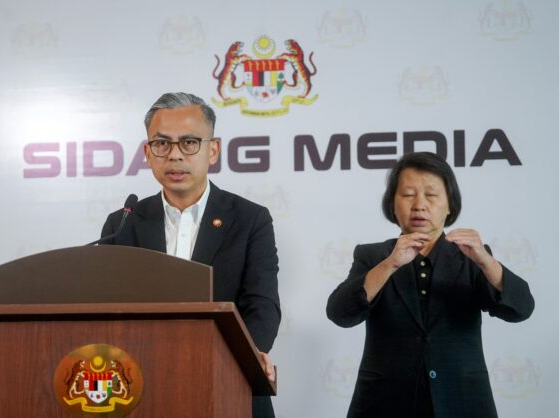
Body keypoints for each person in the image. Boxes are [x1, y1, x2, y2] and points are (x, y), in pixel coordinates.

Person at [100, 92, 280, 418]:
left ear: (213, 150)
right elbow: (106, 311)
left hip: (229, 382)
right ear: (147, 153)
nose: (174, 155)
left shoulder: (250, 219)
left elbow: (262, 305)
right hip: (142, 387)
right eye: (161, 143)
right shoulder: (123, 223)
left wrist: (246, 355)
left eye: (189, 143)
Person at [326, 152, 534, 418]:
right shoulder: (373, 256)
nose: (419, 205)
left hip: (462, 402)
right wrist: (390, 264)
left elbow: (521, 309)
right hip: (384, 403)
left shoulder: (472, 256)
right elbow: (340, 314)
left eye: (432, 195)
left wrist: (485, 260)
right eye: (408, 195)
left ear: (450, 205)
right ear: (392, 205)